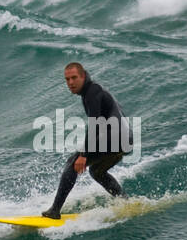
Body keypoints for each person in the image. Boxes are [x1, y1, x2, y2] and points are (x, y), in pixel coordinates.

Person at [42, 62, 130, 220]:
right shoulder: (96, 91)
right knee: (97, 171)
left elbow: (95, 124)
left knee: (72, 162)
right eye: (67, 79)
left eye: (74, 78)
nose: (70, 83)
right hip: (125, 139)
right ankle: (125, 201)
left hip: (115, 137)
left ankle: (54, 211)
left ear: (83, 76)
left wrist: (83, 155)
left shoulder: (92, 91)